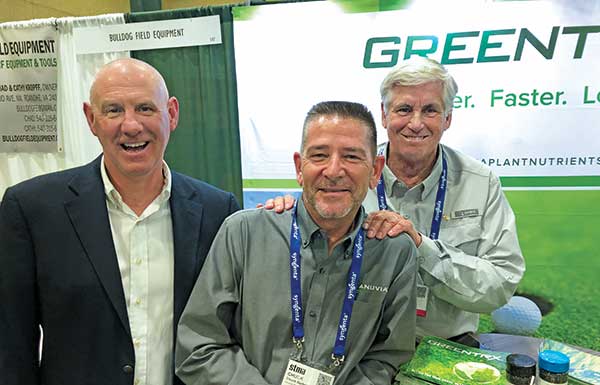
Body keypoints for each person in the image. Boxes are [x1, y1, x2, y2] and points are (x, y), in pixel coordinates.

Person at [0, 58, 239, 385]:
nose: (131, 126)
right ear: (91, 118)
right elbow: (11, 346)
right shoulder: (31, 209)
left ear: (171, 113)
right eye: (113, 110)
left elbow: (229, 331)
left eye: (144, 108)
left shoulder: (217, 211)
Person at [265, 57, 525, 343]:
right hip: (356, 345)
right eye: (404, 109)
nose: (416, 123)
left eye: (430, 110)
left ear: (447, 118)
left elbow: (501, 284)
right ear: (385, 115)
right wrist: (286, 212)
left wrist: (421, 247)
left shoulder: (480, 182)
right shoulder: (351, 172)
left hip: (445, 345)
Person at [175, 101, 417, 385]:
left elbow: (390, 358)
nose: (334, 170)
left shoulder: (394, 252)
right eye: (319, 155)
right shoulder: (242, 233)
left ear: (375, 170)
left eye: (351, 156)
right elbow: (198, 345)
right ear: (300, 167)